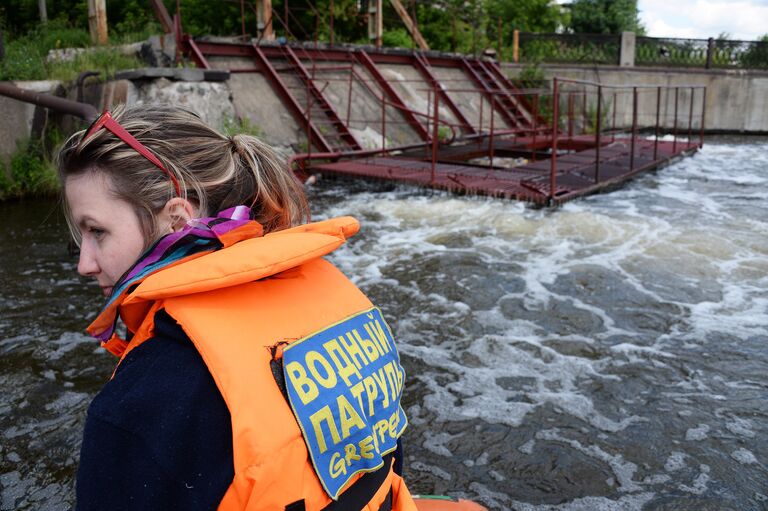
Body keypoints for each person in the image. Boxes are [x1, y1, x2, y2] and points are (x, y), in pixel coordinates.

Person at [57, 105, 417, 511]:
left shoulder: (142, 402)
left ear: (177, 221)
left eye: (97, 231)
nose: (84, 264)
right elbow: (390, 462)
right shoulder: (345, 299)